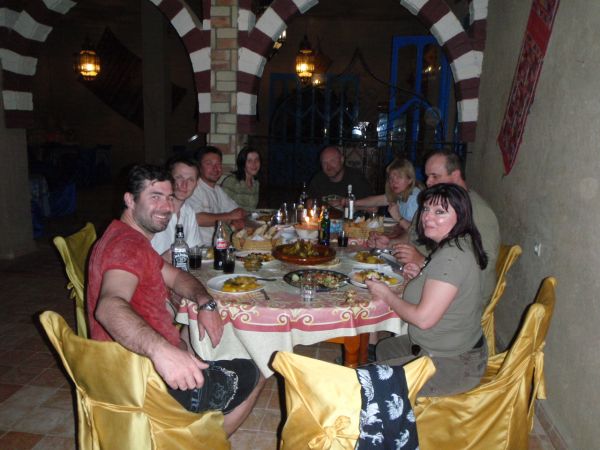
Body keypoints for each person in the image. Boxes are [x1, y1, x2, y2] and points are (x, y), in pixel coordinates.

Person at [87, 164, 263, 435]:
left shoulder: (131, 238)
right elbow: (109, 307)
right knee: (259, 369)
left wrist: (205, 302)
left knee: (197, 334)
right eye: (155, 197)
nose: (166, 207)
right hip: (144, 381)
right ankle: (206, 443)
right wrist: (162, 352)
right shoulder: (126, 247)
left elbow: (176, 276)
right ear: (130, 200)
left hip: (131, 365)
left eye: (169, 198)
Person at [367, 183, 488, 397]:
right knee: (384, 349)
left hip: (453, 364)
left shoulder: (452, 257)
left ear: (461, 216)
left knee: (363, 386)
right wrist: (422, 275)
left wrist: (385, 293)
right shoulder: (457, 243)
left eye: (440, 212)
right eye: (426, 209)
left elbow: (423, 319)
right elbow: (448, 285)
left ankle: (388, 403)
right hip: (442, 346)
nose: (427, 217)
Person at [368, 149, 500, 305]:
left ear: (455, 176)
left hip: (456, 296)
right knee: (370, 277)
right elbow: (413, 235)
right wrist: (390, 244)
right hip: (419, 274)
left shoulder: (478, 211)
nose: (428, 182)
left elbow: (481, 265)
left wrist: (423, 261)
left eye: (435, 176)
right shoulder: (433, 204)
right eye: (427, 176)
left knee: (378, 297)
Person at [186, 146, 247, 246]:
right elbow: (198, 218)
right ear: (199, 167)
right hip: (199, 248)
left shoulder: (217, 190)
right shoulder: (194, 188)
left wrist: (234, 220)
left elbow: (238, 211)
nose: (215, 168)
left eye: (218, 164)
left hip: (218, 244)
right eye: (209, 164)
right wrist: (229, 217)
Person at [151, 155, 202, 259]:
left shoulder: (189, 212)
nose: (184, 185)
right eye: (179, 178)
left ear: (196, 184)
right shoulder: (154, 212)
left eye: (190, 180)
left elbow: (193, 251)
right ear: (168, 179)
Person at [351, 158, 421, 230]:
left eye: (399, 177)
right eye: (391, 178)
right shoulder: (400, 193)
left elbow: (418, 232)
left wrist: (398, 218)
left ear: (410, 180)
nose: (394, 182)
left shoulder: (415, 198)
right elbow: (377, 201)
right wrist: (352, 202)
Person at [307, 146, 373, 202]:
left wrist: (345, 206)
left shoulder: (356, 179)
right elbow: (309, 202)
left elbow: (372, 207)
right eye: (324, 163)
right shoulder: (318, 179)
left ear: (342, 160)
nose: (328, 167)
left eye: (332, 161)